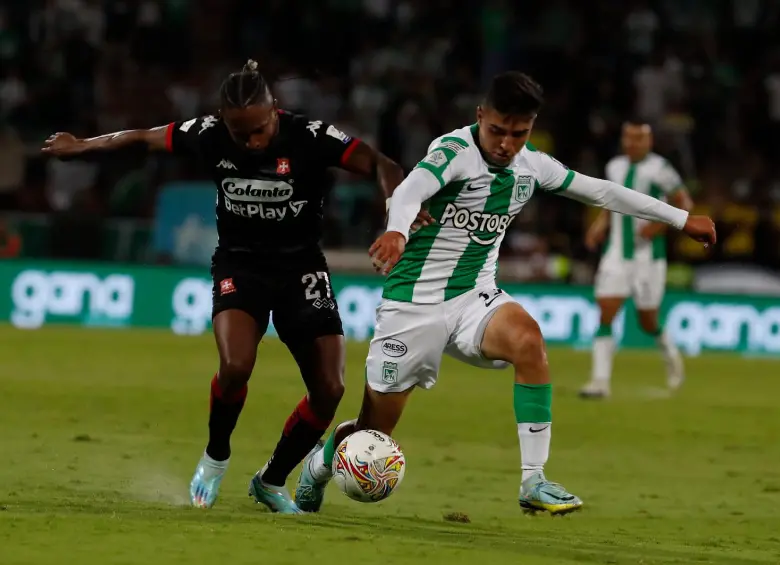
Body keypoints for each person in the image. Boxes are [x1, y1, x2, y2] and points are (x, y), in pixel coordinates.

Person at [293, 71, 716, 515]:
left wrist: (681, 219)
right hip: (413, 305)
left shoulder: (531, 165)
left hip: (475, 297)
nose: (505, 143)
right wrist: (396, 230)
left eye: (519, 133)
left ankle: (534, 481)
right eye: (497, 130)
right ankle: (318, 466)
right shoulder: (454, 151)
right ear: (480, 116)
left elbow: (601, 192)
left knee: (529, 340)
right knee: (371, 434)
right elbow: (412, 188)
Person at [42, 60, 419, 513]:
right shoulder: (207, 133)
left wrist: (398, 215)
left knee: (330, 390)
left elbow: (383, 163)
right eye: (241, 134)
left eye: (259, 130)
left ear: (274, 109)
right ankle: (215, 456)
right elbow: (141, 138)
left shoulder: (310, 136)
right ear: (224, 122)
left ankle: (271, 480)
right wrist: (81, 146)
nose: (252, 141)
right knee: (236, 365)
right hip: (239, 265)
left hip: (301, 269)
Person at [580, 119, 692, 399]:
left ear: (649, 141)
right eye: (628, 138)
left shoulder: (661, 169)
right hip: (616, 254)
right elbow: (611, 202)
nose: (632, 143)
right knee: (606, 311)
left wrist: (657, 226)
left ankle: (671, 359)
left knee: (648, 321)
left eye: (638, 138)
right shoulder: (614, 167)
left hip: (648, 258)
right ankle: (599, 382)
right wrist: (599, 226)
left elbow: (684, 203)